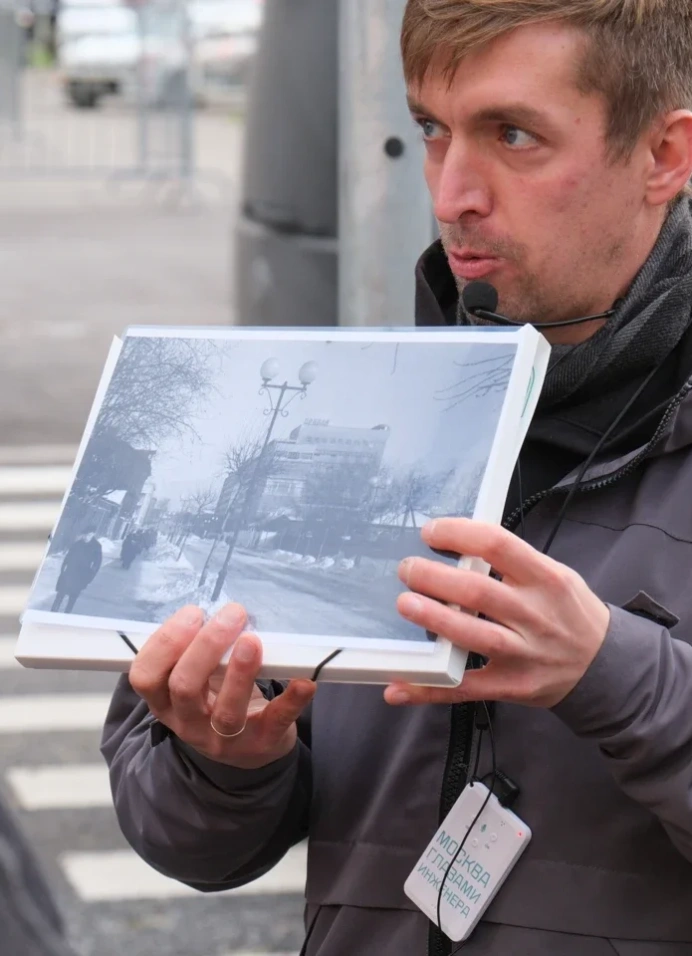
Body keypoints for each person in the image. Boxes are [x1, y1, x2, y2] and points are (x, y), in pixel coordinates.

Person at [101, 1, 692, 953]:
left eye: (513, 135)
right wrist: (225, 760)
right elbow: (192, 844)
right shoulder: (358, 402)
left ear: (664, 155)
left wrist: (614, 674)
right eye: (431, 129)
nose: (453, 193)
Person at [51, 528, 102, 613]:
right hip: (69, 573)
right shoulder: (77, 544)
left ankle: (66, 615)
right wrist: (63, 569)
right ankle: (52, 613)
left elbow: (97, 564)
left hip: (81, 576)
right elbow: (68, 557)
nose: (86, 537)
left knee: (72, 598)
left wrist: (89, 578)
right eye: (85, 535)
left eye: (89, 535)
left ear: (93, 534)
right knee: (60, 595)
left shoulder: (96, 546)